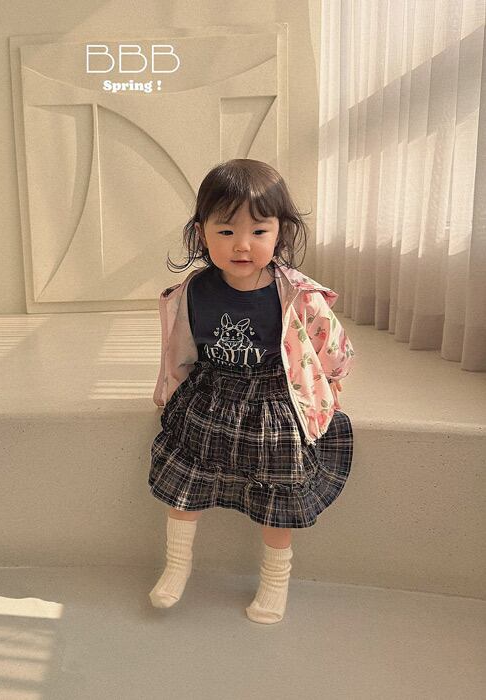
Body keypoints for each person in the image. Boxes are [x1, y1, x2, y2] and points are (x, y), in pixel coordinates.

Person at [148, 159, 356, 624]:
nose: (242, 245)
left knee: (276, 497)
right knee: (186, 482)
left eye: (258, 231)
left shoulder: (297, 294)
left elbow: (330, 342)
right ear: (202, 234)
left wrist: (329, 380)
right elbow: (181, 347)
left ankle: (275, 579)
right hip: (210, 395)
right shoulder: (194, 291)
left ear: (279, 233)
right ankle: (177, 564)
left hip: (273, 401)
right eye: (225, 232)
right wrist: (170, 390)